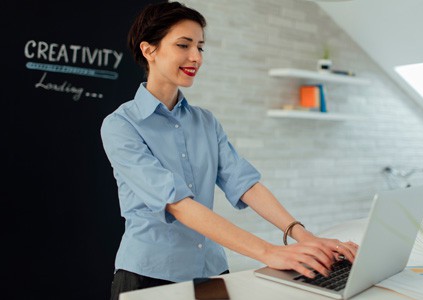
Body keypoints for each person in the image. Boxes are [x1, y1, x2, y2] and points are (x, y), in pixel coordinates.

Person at [100, 1, 359, 299]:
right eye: (183, 45)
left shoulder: (205, 121)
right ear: (149, 50)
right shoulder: (121, 125)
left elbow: (244, 182)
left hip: (210, 270)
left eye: (200, 47)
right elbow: (177, 203)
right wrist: (269, 252)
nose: (195, 57)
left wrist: (304, 236)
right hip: (149, 276)